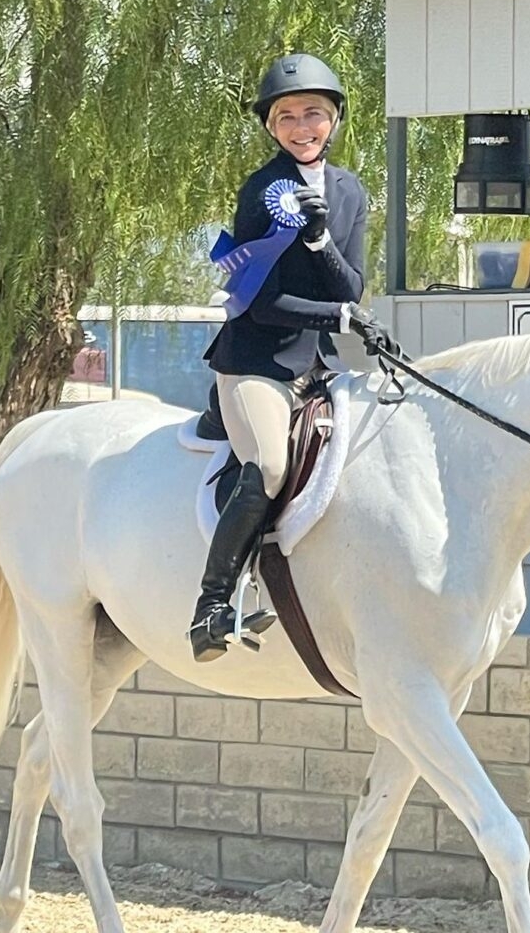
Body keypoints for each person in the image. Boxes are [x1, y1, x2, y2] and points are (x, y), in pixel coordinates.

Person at [189, 52, 400, 663]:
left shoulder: (349, 190)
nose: (301, 126)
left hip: (316, 364)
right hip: (255, 360)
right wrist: (338, 317)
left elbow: (350, 287)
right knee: (272, 468)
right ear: (271, 128)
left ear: (333, 120)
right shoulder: (262, 191)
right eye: (287, 117)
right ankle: (211, 605)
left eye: (314, 113)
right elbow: (262, 302)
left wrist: (320, 241)